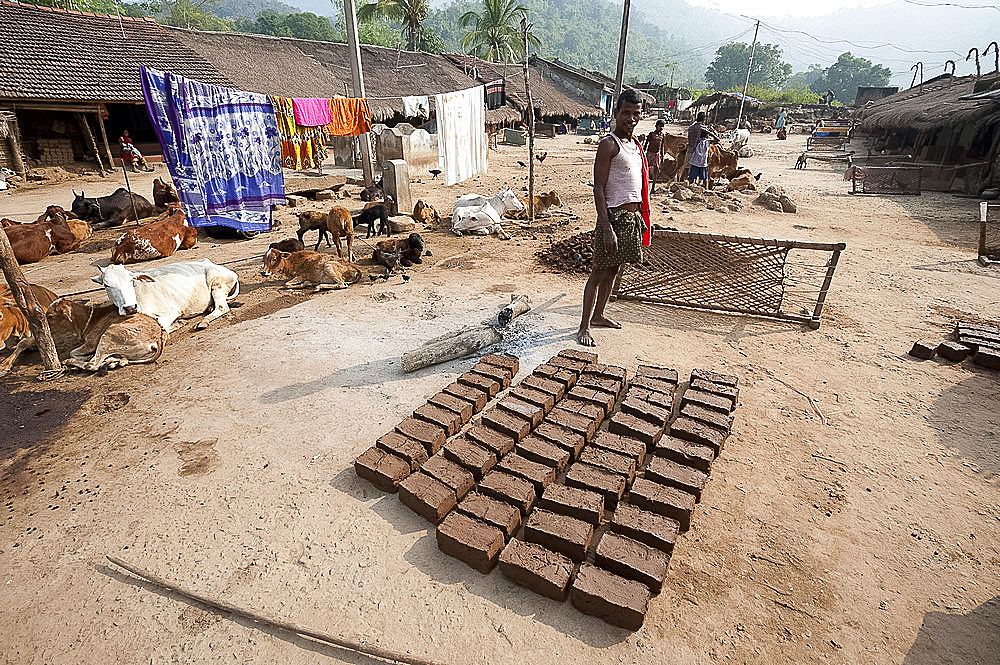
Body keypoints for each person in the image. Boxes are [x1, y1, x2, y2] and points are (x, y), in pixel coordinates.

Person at [577, 89, 651, 347]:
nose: (630, 118)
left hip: (631, 218)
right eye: (626, 113)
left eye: (635, 113)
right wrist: (606, 226)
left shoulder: (635, 145)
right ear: (616, 113)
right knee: (598, 272)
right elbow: (598, 188)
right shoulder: (609, 145)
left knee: (615, 270)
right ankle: (584, 326)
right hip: (613, 217)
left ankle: (599, 315)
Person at [685, 112, 719, 180]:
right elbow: (717, 139)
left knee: (686, 170)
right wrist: (710, 132)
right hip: (698, 154)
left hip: (689, 150)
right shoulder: (703, 129)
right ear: (704, 119)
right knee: (702, 173)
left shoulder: (691, 127)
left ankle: (681, 184)